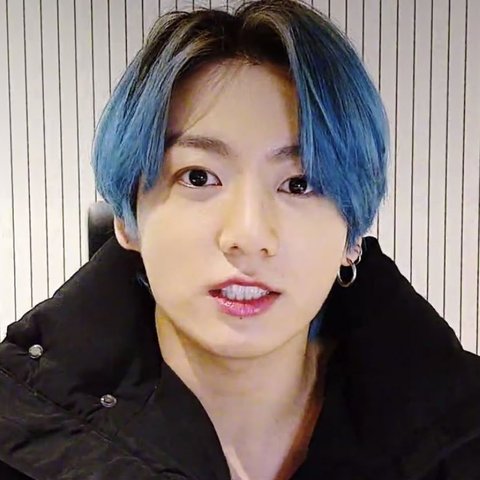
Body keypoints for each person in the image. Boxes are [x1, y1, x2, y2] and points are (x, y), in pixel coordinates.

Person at [1, 1, 479, 478]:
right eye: (198, 177)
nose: (248, 236)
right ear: (128, 218)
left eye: (299, 184)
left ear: (351, 237)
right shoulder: (16, 437)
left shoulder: (461, 436)